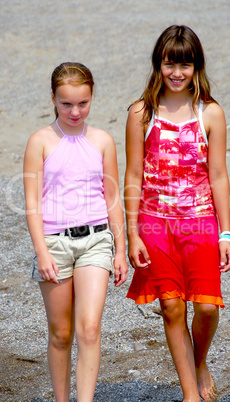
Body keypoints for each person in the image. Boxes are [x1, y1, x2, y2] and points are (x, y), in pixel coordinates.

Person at [124, 25, 230, 402]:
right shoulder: (142, 112)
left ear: (196, 67)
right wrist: (132, 233)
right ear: (158, 64)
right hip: (155, 224)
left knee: (205, 306)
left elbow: (218, 175)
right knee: (171, 307)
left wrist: (226, 233)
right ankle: (190, 394)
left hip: (201, 223)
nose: (176, 73)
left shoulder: (211, 112)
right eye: (170, 63)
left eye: (184, 65)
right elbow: (133, 175)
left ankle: (199, 362)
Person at [24, 62, 128, 402]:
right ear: (53, 98)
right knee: (61, 333)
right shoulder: (39, 141)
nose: (75, 111)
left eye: (82, 103)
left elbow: (112, 196)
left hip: (96, 241)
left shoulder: (102, 140)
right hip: (54, 243)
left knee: (89, 328)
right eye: (66, 103)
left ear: (91, 97)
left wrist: (120, 249)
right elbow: (33, 203)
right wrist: (41, 252)